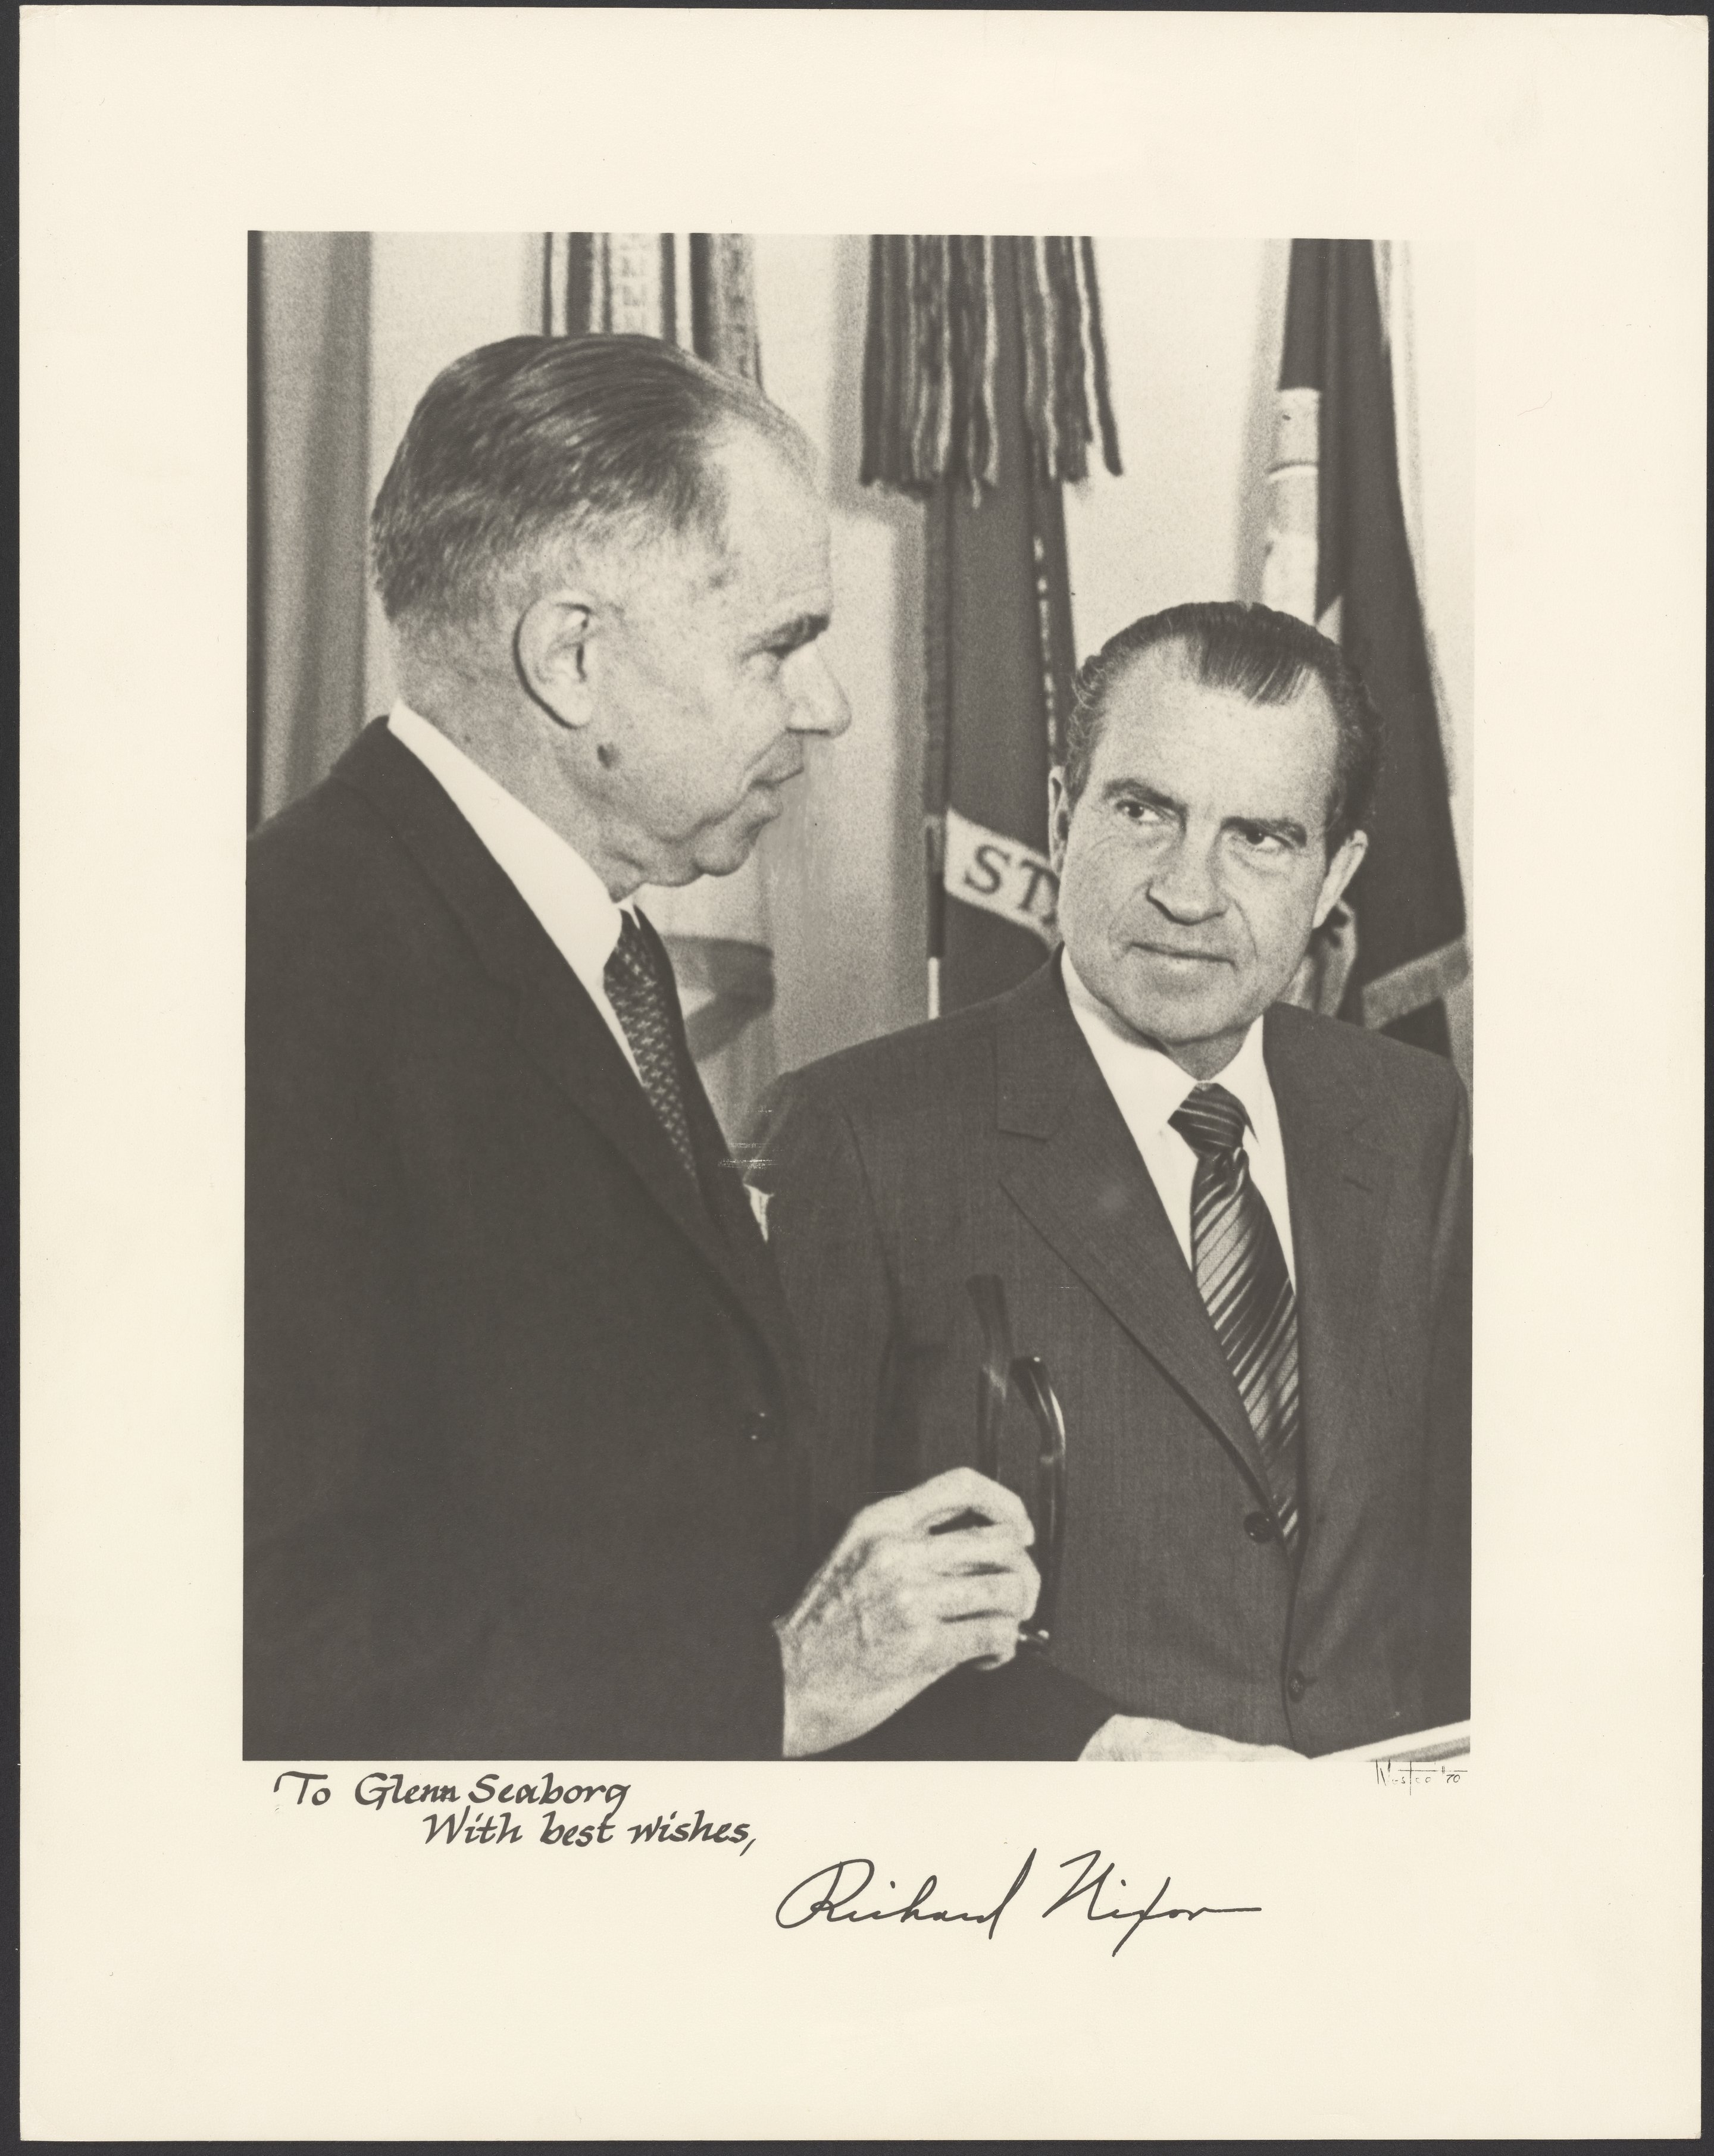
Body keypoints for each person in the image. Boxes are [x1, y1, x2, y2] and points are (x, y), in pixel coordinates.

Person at [245, 333, 1039, 1762]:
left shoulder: (587, 941)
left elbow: (688, 1504)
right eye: (779, 645)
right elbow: (262, 1643)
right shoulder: (277, 975)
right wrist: (771, 1695)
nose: (829, 705)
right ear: (572, 659)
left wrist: (1096, 1745)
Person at [756, 601, 1472, 1760]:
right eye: (1144, 813)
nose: (1188, 892)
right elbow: (794, 1621)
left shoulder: (1410, 1117)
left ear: (1336, 872)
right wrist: (1091, 1751)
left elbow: (1458, 1558)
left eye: (1261, 838)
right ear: (1062, 815)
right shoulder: (857, 1137)